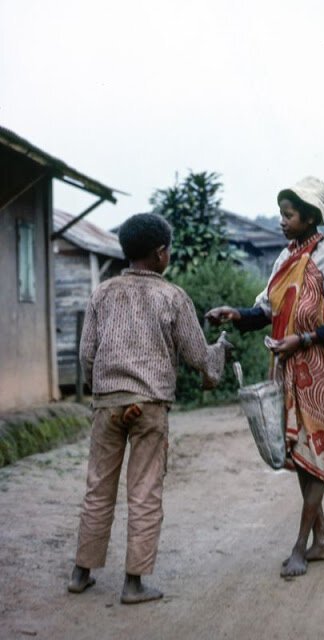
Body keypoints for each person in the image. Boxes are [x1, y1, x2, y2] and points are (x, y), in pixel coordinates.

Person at [68, 213, 231, 603]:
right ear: (161, 254)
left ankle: (80, 573)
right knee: (144, 491)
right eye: (168, 249)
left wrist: (103, 391)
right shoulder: (172, 296)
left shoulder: (102, 293)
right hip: (150, 406)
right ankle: (134, 583)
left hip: (108, 405)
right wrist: (218, 357)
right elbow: (198, 356)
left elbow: (87, 354)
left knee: (97, 488)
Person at [206, 177, 324, 578]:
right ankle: (321, 540)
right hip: (286, 368)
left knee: (316, 454)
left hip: (319, 371)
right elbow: (265, 310)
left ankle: (300, 546)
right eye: (281, 214)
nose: (281, 221)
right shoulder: (283, 260)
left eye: (288, 215)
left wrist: (306, 338)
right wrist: (237, 314)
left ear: (310, 217)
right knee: (300, 455)